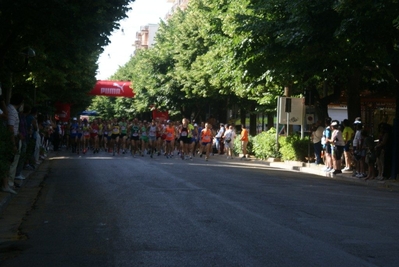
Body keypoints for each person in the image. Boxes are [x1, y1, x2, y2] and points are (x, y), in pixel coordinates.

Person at [7, 93, 24, 191]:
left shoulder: (11, 109)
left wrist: (18, 134)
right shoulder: (12, 111)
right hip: (13, 139)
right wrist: (13, 143)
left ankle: (11, 181)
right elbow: (10, 127)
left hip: (15, 136)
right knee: (13, 162)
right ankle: (9, 182)